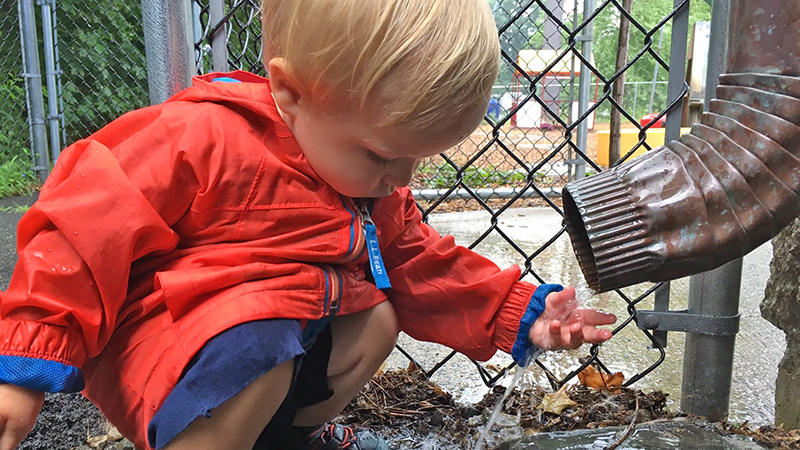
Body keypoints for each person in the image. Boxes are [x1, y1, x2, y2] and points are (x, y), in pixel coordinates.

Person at [0, 0, 617, 449]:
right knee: (261, 346)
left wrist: (520, 312)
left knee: (377, 319)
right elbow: (80, 232)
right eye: (382, 155)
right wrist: (25, 361)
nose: (401, 177)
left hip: (265, 332)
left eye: (417, 158)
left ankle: (289, 440)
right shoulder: (201, 139)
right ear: (290, 93)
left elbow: (422, 265)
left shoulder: (366, 186)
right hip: (168, 348)